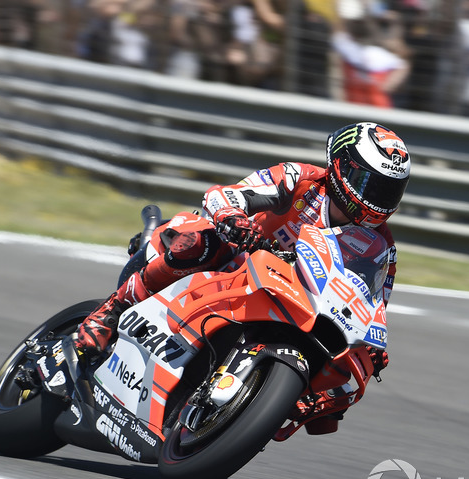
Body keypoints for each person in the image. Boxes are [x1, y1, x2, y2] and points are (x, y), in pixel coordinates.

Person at [74, 122, 411, 430]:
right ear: (340, 168)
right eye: (372, 185)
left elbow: (374, 303)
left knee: (346, 373)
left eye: (389, 191)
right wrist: (233, 219)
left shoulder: (382, 245)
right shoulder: (301, 180)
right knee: (200, 242)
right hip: (235, 261)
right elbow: (225, 195)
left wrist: (371, 349)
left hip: (296, 302)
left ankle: (255, 409)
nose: (378, 200)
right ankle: (112, 310)